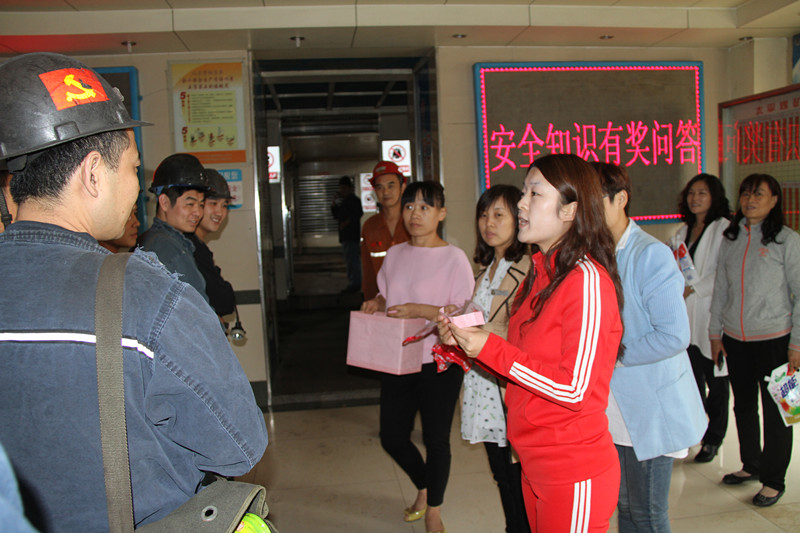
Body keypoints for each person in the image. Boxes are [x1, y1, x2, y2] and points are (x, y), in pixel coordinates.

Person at [0, 52, 268, 531]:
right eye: (132, 168)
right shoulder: (145, 293)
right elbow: (239, 445)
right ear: (93, 173)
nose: (134, 188)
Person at [440, 154, 624, 533]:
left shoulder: (586, 280)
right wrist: (466, 343)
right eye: (524, 192)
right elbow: (522, 364)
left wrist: (488, 347)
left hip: (572, 468)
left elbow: (574, 389)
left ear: (570, 210)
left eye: (534, 194)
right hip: (533, 458)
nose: (521, 204)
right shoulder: (541, 274)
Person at [595, 161, 706, 532]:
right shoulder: (596, 255)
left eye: (596, 201)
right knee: (625, 506)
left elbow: (673, 335)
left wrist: (613, 355)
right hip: (614, 403)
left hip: (650, 404)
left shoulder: (649, 254)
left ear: (621, 199)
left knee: (647, 512)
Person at [361, 181, 474, 533]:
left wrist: (420, 310)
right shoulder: (395, 254)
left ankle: (433, 509)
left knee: (436, 439)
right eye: (410, 206)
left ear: (441, 213)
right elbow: (387, 294)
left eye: (425, 207)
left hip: (440, 360)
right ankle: (426, 484)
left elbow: (463, 313)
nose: (415, 214)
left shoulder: (454, 258)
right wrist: (376, 303)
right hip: (400, 357)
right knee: (392, 436)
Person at [709, 173, 800, 507]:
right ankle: (752, 464)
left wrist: (797, 343)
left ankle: (774, 480)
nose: (750, 199)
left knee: (780, 412)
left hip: (777, 339)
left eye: (759, 194)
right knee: (744, 405)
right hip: (736, 339)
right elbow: (721, 289)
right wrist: (715, 333)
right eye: (746, 193)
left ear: (774, 200)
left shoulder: (788, 241)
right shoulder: (731, 239)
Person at [459, 185, 531, 533]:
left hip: (507, 383)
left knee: (520, 475)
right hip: (482, 385)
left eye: (499, 215)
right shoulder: (485, 269)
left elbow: (521, 330)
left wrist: (473, 330)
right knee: (501, 474)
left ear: (519, 219)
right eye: (484, 215)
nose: (489, 223)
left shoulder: (527, 268)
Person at [667, 174, 731, 463]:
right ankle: (697, 429)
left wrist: (693, 288)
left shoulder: (724, 229)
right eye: (691, 193)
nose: (695, 198)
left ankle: (714, 438)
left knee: (717, 380)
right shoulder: (682, 232)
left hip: (711, 313)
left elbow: (723, 271)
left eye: (702, 193)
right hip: (686, 314)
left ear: (714, 196)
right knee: (691, 379)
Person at [138, 152, 210, 301]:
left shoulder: (156, 240)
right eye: (190, 204)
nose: (198, 212)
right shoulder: (168, 250)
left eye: (201, 205)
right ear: (164, 202)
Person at [187, 168, 236, 318]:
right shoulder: (189, 247)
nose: (220, 212)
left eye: (224, 205)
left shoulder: (198, 246)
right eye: (213, 203)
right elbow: (222, 301)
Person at [361, 160, 410, 299]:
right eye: (380, 187)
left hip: (414, 302)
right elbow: (368, 272)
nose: (386, 192)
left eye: (391, 185)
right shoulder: (370, 227)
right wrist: (371, 302)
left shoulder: (414, 221)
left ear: (403, 187)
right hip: (382, 302)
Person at [331, 175, 363, 293]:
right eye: (341, 188)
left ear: (350, 188)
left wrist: (346, 223)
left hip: (352, 235)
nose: (342, 190)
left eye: (344, 188)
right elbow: (336, 215)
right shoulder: (343, 201)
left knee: (353, 260)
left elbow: (357, 214)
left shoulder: (354, 201)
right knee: (349, 260)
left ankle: (355, 283)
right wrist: (334, 203)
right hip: (344, 236)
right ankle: (352, 282)